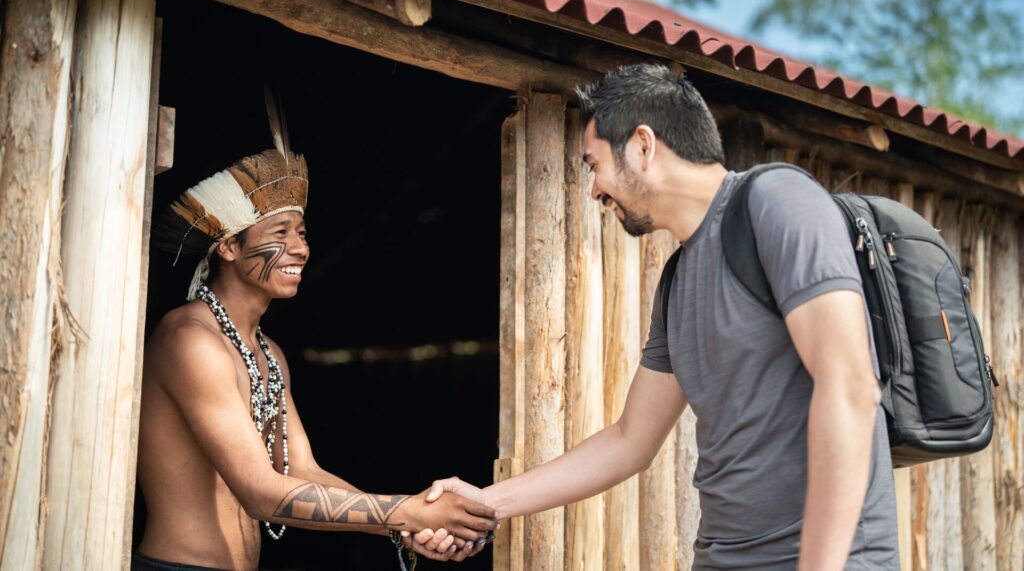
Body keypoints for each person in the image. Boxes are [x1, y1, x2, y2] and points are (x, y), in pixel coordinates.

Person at [429, 64, 900, 570]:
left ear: (643, 145)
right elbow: (630, 440)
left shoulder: (777, 200)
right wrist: (484, 504)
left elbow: (850, 386)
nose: (593, 190)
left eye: (594, 165)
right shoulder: (677, 281)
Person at [137, 136, 494, 570]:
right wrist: (408, 511)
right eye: (280, 233)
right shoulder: (190, 340)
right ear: (229, 247)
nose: (301, 249)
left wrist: (401, 525)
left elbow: (300, 471)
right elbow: (259, 491)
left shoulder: (268, 353)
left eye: (302, 233)